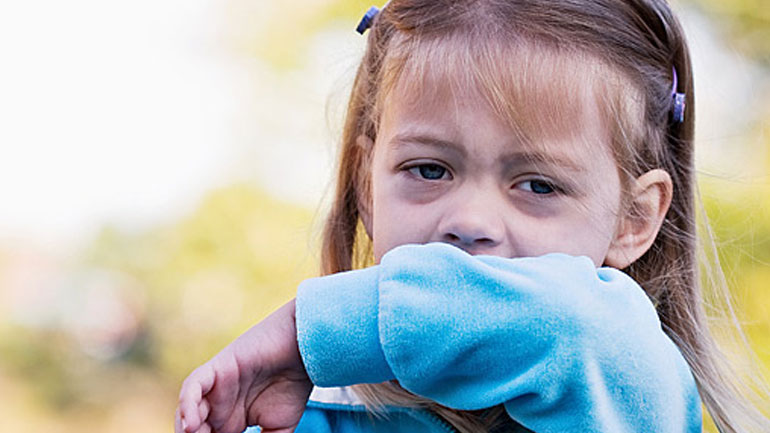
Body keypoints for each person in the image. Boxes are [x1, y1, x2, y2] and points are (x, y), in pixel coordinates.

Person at [176, 1, 770, 432]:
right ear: (367, 183)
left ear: (634, 220)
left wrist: (312, 331)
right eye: (430, 170)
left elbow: (579, 324)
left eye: (538, 184)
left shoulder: (627, 388)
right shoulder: (305, 413)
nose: (470, 219)